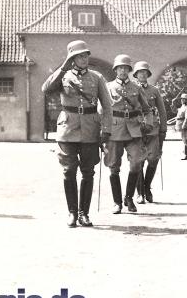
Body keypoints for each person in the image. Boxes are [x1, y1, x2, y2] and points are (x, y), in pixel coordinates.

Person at [41, 40, 112, 227]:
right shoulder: (63, 76)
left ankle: (84, 213)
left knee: (88, 172)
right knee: (68, 171)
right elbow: (46, 89)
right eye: (79, 56)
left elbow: (107, 106)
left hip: (90, 129)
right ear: (72, 58)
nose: (84, 58)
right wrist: (63, 68)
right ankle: (72, 212)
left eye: (86, 55)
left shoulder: (96, 78)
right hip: (67, 129)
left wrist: (106, 130)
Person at [105, 54, 151, 214]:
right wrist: (102, 130)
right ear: (115, 70)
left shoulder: (136, 88)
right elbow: (102, 109)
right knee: (113, 167)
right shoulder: (108, 87)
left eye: (126, 68)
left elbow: (147, 109)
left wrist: (148, 124)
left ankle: (129, 198)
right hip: (115, 129)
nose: (123, 71)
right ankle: (117, 202)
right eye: (120, 68)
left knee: (136, 163)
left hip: (134, 129)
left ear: (130, 70)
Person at [132, 61, 167, 204]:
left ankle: (147, 187)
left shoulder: (154, 90)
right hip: (136, 128)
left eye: (145, 72)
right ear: (135, 74)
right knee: (138, 160)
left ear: (148, 74)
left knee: (153, 159)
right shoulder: (131, 89)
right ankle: (140, 191)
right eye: (140, 72)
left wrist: (163, 129)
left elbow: (162, 111)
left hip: (153, 128)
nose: (142, 74)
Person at [174, 93, 187, 160]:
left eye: (183, 99)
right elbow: (175, 112)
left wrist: (184, 125)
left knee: (186, 140)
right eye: (181, 99)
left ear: (186, 100)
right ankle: (186, 154)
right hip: (180, 123)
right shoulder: (182, 106)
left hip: (185, 125)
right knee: (184, 140)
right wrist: (172, 104)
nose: (181, 100)